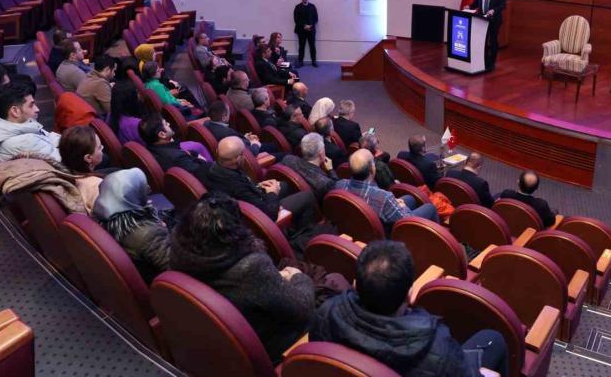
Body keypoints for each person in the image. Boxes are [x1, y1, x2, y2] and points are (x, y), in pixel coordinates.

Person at [311, 241, 508, 376]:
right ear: (410, 293)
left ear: (356, 284)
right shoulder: (439, 347)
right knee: (493, 339)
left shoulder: (326, 312)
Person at [169, 191, 316, 363]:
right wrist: (299, 277)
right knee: (330, 283)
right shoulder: (250, 268)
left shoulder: (181, 253)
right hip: (273, 345)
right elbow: (303, 307)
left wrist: (274, 278)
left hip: (226, 343)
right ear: (234, 228)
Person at [203, 137, 318, 231]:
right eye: (243, 153)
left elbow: (244, 187)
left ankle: (291, 226)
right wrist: (272, 193)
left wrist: (257, 186)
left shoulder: (213, 167)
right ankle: (302, 235)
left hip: (252, 199)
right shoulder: (236, 186)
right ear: (237, 159)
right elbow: (269, 213)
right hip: (259, 215)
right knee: (308, 196)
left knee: (285, 185)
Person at [92, 165, 172, 284]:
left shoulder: (101, 220)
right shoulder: (148, 234)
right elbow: (174, 266)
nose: (148, 189)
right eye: (142, 187)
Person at [336, 149, 437, 227]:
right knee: (430, 208)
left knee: (410, 198)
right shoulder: (383, 197)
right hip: (384, 233)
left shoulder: (339, 185)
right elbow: (405, 220)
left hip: (358, 223)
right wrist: (402, 207)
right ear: (372, 170)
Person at [0, 82, 60, 162]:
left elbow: (50, 137)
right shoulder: (23, 142)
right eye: (31, 105)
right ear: (15, 111)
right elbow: (63, 160)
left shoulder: (10, 126)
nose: (37, 109)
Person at [138, 113, 211, 179]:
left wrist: (194, 154)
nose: (169, 124)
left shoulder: (150, 148)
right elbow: (205, 174)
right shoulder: (178, 157)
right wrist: (201, 160)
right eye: (166, 124)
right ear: (162, 134)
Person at [280, 133, 338, 203]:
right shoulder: (325, 183)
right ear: (321, 153)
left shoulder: (288, 159)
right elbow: (336, 193)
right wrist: (331, 170)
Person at [467, 0, 506, 71]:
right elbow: (475, 4)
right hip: (482, 20)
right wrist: (469, 7)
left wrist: (494, 10)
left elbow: (503, 4)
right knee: (482, 41)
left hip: (494, 20)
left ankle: (491, 62)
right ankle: (483, 60)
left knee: (493, 41)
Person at [293, 0, 318, 67]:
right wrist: (304, 25)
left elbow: (316, 18)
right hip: (301, 30)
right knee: (301, 46)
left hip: (311, 30)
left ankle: (314, 61)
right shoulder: (297, 7)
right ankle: (300, 62)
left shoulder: (312, 6)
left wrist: (310, 26)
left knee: (312, 46)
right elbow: (296, 19)